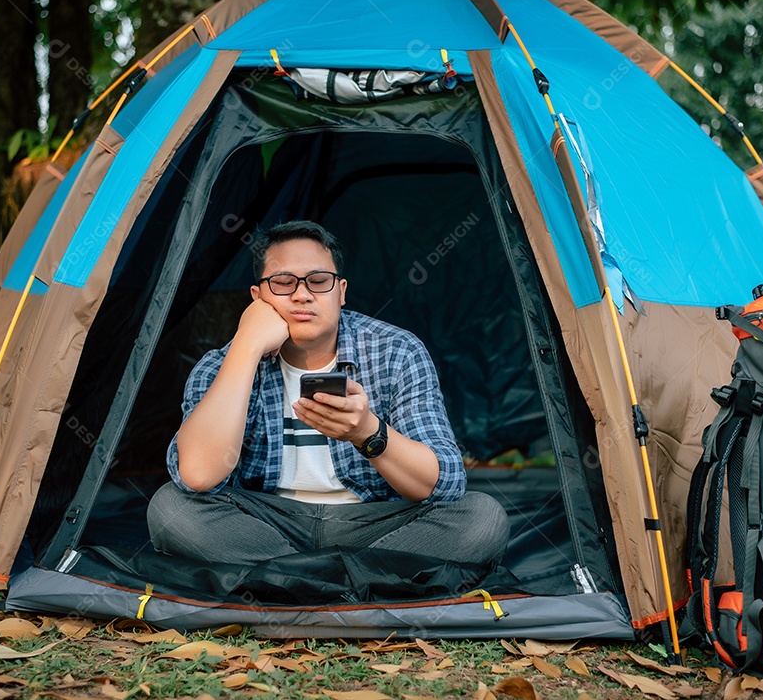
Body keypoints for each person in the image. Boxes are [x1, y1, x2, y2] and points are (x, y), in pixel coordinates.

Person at [147, 220, 509, 567]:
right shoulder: (220, 364)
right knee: (171, 509)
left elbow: (444, 483)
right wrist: (246, 345)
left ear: (341, 292)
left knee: (481, 517)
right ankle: (354, 584)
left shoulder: (397, 351)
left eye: (319, 281)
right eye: (283, 283)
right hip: (266, 524)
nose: (302, 295)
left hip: (374, 526)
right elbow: (197, 475)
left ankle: (290, 581)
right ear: (257, 297)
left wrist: (368, 432)